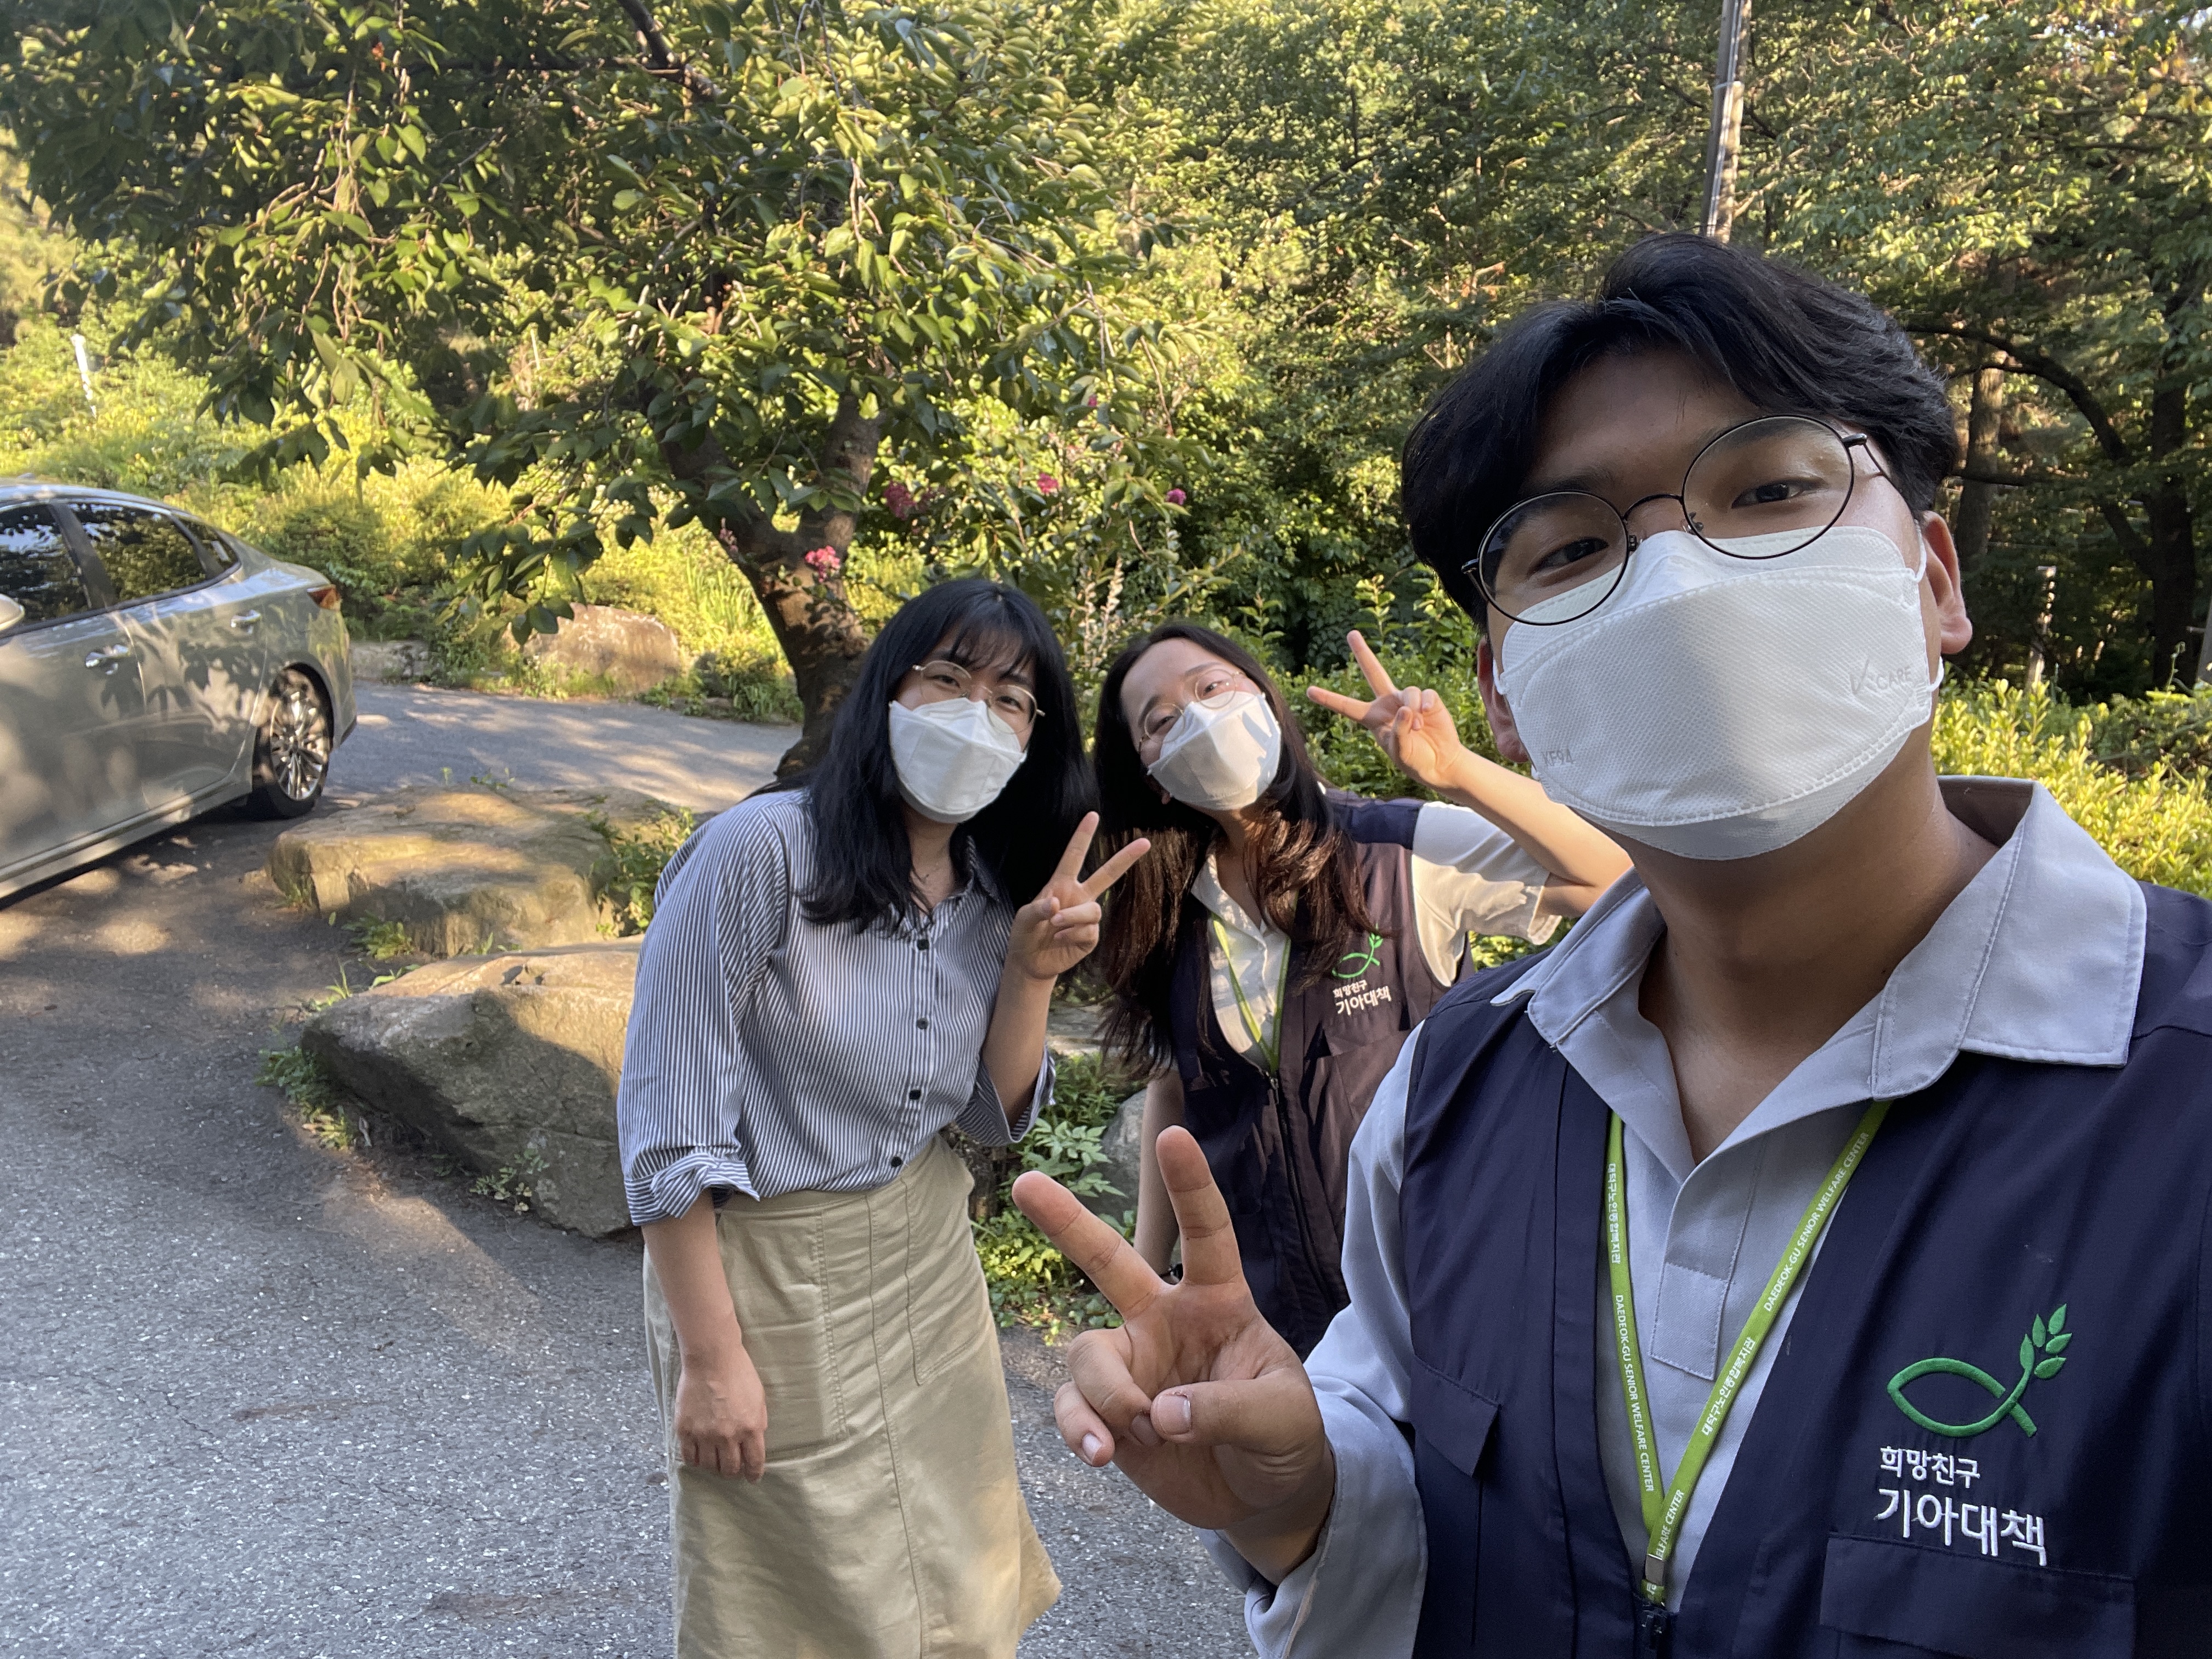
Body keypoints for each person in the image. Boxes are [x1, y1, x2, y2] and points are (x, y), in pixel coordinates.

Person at [1013, 233, 2212, 1656]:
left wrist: (1452, 775)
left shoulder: (2177, 1100)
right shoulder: (1456, 1096)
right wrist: (1300, 1503)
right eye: (1576, 549)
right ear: (1508, 685)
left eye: (1768, 491)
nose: (1684, 584)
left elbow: (1572, 869)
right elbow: (1398, 1476)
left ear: (1935, 579)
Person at [616, 577, 1149, 1658]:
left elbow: (990, 1118)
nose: (976, 716)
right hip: (769, 1273)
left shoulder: (994, 891)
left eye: (1011, 700)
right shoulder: (758, 854)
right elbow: (670, 1133)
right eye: (948, 678)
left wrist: (1030, 973)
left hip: (926, 1253)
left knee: (953, 1563)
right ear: (886, 694)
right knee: (796, 1592)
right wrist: (711, 1362)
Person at [1092, 622, 1627, 1354]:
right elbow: (1177, 1090)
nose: (1197, 719)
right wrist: (1146, 1283)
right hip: (1275, 1328)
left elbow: (1613, 877)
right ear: (1151, 776)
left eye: (1211, 687)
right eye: (1160, 720)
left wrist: (1457, 771)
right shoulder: (1170, 916)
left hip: (1448, 1297)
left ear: (1263, 699)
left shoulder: (1398, 850)